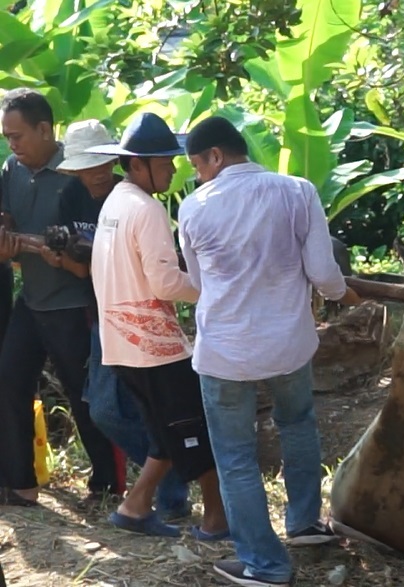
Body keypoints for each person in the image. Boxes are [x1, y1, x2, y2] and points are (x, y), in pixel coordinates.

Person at [178, 116, 361, 587]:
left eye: (198, 164)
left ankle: (265, 564)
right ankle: (303, 525)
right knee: (298, 425)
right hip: (289, 344)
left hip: (224, 351)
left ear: (215, 156)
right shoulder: (297, 191)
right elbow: (323, 273)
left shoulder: (194, 207)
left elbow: (199, 285)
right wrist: (348, 295)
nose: (197, 174)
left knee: (236, 457)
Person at [86, 112, 227, 538]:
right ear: (136, 165)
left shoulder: (114, 203)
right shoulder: (146, 210)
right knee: (192, 430)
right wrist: (213, 290)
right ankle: (218, 519)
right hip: (155, 346)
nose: (172, 167)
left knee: (166, 433)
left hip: (122, 343)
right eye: (163, 162)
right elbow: (165, 283)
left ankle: (135, 506)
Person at [54, 119, 190, 520]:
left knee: (157, 415)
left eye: (100, 165)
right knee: (108, 412)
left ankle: (165, 493)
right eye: (86, 167)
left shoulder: (128, 198)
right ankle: (167, 483)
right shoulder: (74, 198)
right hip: (106, 315)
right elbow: (86, 268)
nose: (95, 174)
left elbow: (159, 275)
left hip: (141, 320)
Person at [0, 88, 119, 506]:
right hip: (31, 300)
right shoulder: (11, 168)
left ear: (45, 129)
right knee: (9, 381)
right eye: (7, 137)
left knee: (83, 395)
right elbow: (5, 214)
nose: (11, 144)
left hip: (73, 303)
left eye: (17, 135)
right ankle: (20, 484)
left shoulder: (78, 170)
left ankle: (106, 486)